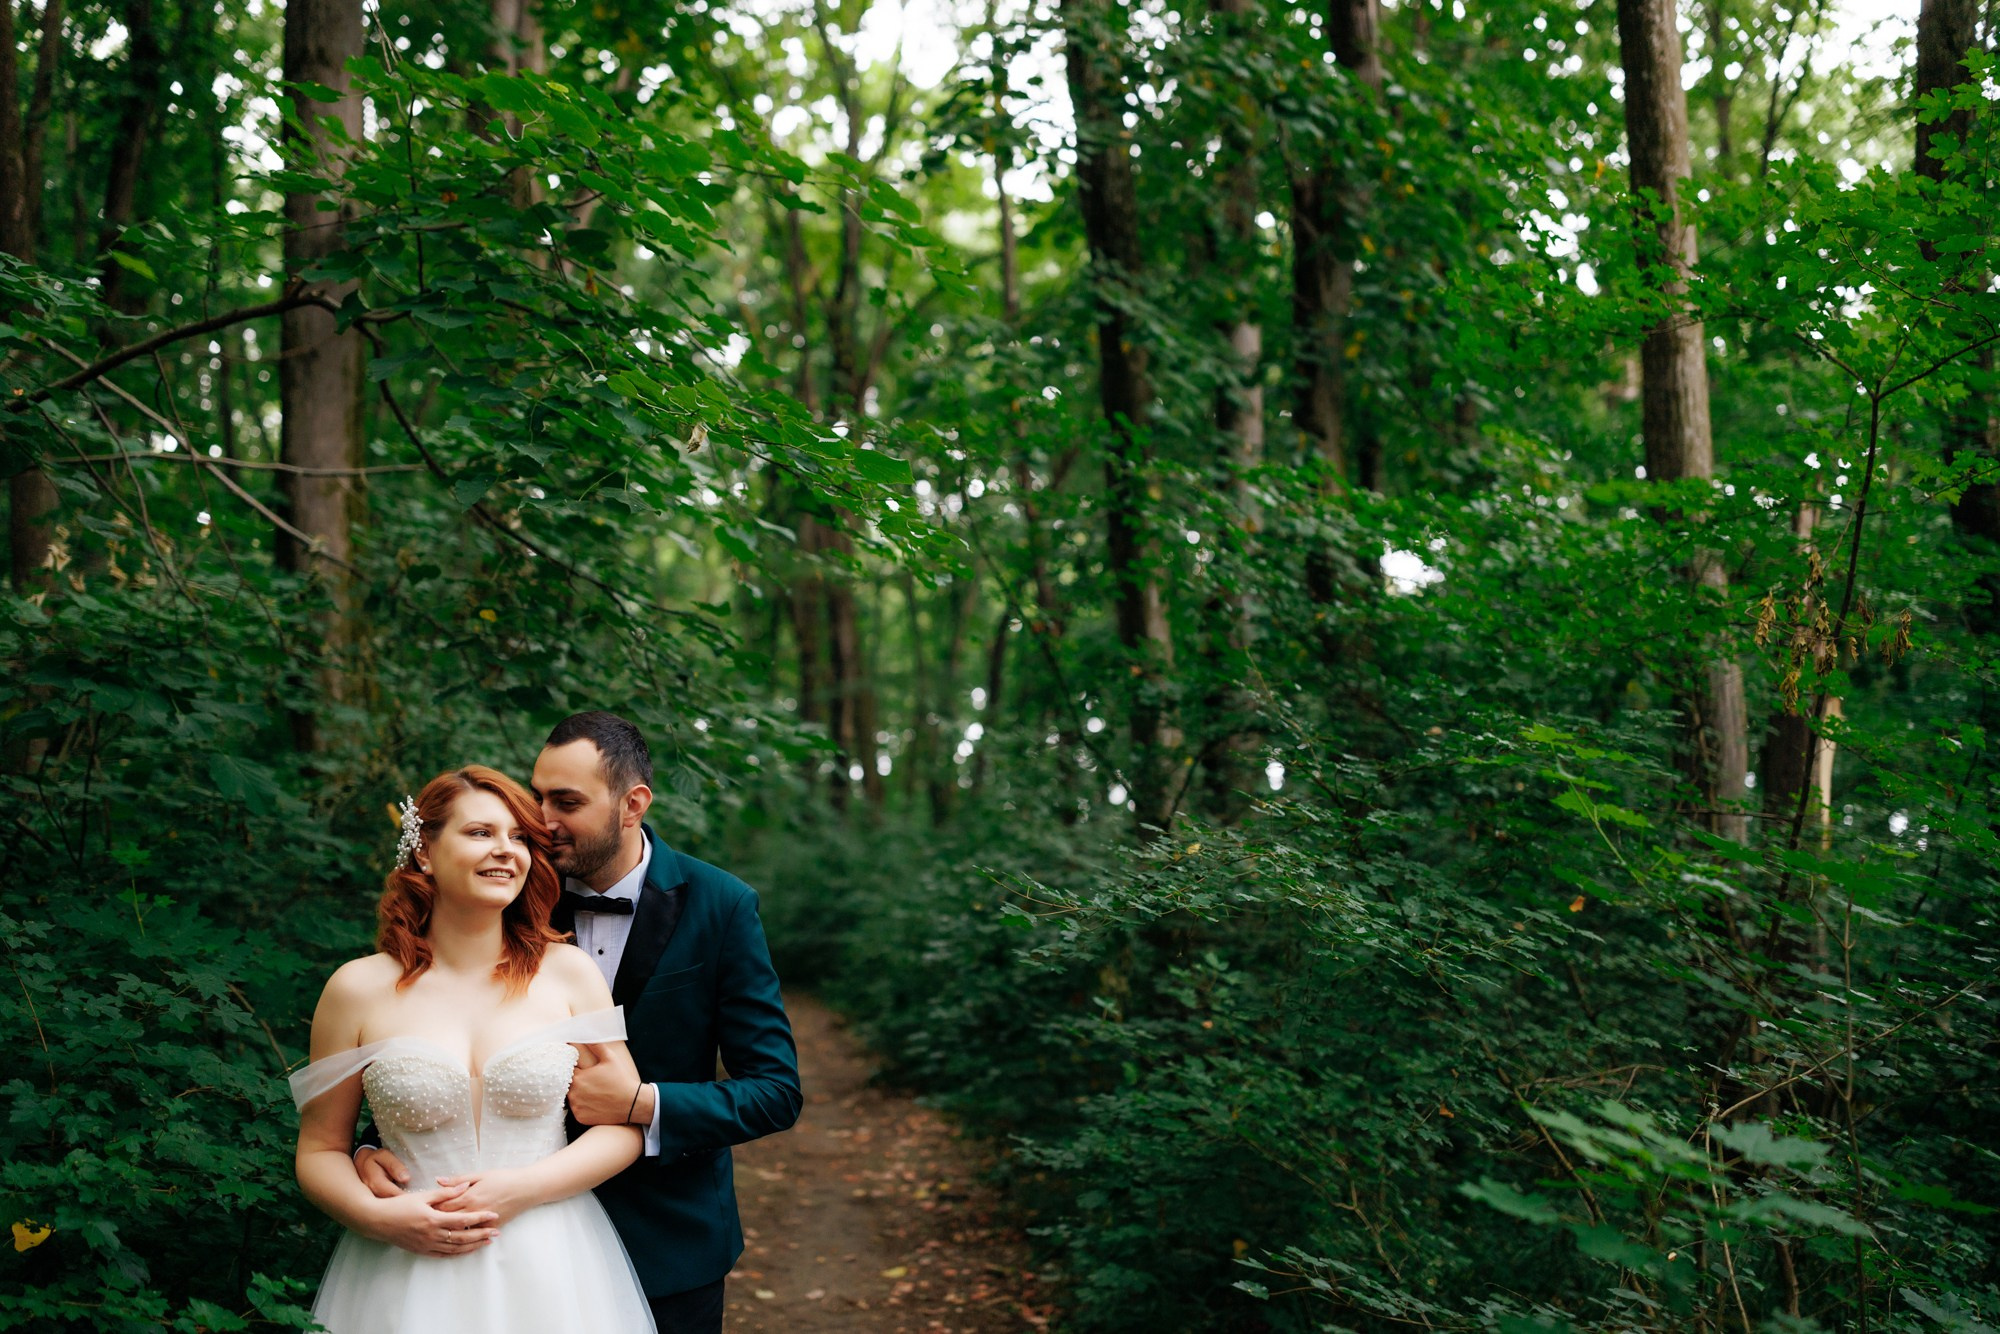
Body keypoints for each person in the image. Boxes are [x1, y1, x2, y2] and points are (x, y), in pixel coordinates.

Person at [356, 711, 803, 1334]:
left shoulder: (720, 905)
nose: (540, 821)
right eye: (536, 796)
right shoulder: (507, 892)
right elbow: (432, 1036)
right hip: (488, 1237)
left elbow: (775, 1093)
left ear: (632, 804)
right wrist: (371, 1147)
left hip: (667, 1237)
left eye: (565, 801)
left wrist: (644, 1104)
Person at [290, 764, 657, 1333]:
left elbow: (622, 1125)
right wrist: (378, 1219)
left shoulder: (569, 975)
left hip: (553, 1256)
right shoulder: (355, 988)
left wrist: (525, 1187)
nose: (506, 851)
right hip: (404, 1264)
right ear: (425, 854)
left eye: (518, 837)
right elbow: (319, 1150)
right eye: (480, 833)